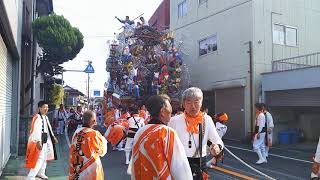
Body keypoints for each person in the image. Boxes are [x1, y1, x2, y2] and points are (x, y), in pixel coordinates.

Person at [129, 94, 193, 179]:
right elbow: (180, 167)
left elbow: (135, 164)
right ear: (162, 111)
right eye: (170, 108)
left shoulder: (140, 132)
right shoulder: (167, 132)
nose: (171, 111)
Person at [168, 87, 224, 180]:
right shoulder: (174, 120)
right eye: (189, 102)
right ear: (183, 104)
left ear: (201, 103)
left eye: (196, 102)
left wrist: (217, 147)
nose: (193, 106)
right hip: (179, 162)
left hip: (200, 162)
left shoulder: (207, 119)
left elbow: (218, 140)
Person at [69, 111, 108, 180]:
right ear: (94, 121)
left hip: (77, 164)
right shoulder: (94, 133)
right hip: (90, 164)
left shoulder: (77, 132)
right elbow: (102, 151)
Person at [25, 101, 58, 180]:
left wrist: (53, 137)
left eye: (47, 107)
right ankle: (31, 176)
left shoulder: (45, 117)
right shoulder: (38, 117)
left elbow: (49, 128)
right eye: (44, 107)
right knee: (39, 158)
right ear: (39, 108)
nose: (46, 109)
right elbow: (36, 130)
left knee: (44, 158)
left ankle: (41, 173)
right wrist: (38, 141)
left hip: (45, 140)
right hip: (39, 141)